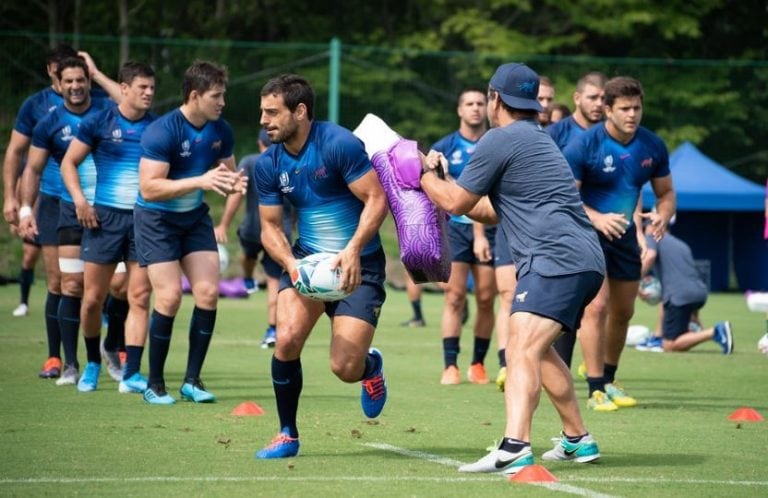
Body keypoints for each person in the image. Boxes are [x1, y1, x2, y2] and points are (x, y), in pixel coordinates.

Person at [420, 62, 604, 474]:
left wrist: (421, 175)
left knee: (519, 347)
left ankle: (515, 445)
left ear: (495, 99)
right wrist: (442, 181)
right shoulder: (532, 139)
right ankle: (578, 439)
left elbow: (454, 204)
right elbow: (487, 208)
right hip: (580, 260)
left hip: (554, 259)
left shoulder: (498, 139)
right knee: (535, 350)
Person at [253, 74, 388, 459]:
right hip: (307, 261)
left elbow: (377, 200)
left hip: (360, 266)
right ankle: (287, 434)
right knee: (286, 340)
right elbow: (269, 227)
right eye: (262, 111)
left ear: (300, 111)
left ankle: (371, 368)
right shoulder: (268, 163)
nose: (264, 120)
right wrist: (292, 265)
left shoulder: (338, 144)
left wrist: (352, 249)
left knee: (344, 368)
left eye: (272, 112)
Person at [135, 60, 245, 405]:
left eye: (223, 95)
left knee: (208, 293)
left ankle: (192, 381)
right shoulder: (163, 131)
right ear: (195, 95)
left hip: (194, 219)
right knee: (167, 298)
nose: (222, 102)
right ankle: (154, 383)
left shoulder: (220, 130)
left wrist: (234, 183)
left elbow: (227, 176)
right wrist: (201, 180)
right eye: (216, 96)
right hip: (156, 221)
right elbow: (149, 188)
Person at [562, 76, 676, 411]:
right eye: (625, 108)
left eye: (637, 108)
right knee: (595, 307)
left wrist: (662, 215)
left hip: (625, 237)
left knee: (623, 312)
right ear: (608, 110)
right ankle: (595, 387)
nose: (632, 114)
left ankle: (609, 379)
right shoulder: (584, 145)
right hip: (587, 235)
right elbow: (567, 196)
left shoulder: (652, 146)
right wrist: (596, 218)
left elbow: (666, 193)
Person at [4, 44, 119, 377]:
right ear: (52, 73)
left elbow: (131, 101)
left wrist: (97, 74)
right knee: (60, 282)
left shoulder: (100, 104)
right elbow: (19, 157)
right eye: (62, 75)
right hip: (56, 202)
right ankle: (58, 358)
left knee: (111, 283)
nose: (71, 84)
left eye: (79, 76)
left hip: (100, 201)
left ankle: (113, 348)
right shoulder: (38, 108)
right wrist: (16, 202)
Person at [59, 61, 157, 392]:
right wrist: (80, 202)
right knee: (91, 300)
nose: (149, 93)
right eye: (142, 87)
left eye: (152, 88)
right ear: (124, 88)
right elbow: (68, 163)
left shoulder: (156, 129)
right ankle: (92, 362)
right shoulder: (99, 122)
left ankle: (131, 373)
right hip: (104, 219)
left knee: (139, 295)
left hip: (143, 220)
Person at [432, 88, 497, 386]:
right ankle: (450, 365)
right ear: (459, 110)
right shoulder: (444, 146)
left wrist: (481, 233)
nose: (475, 108)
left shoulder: (495, 142)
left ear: (487, 107)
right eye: (469, 103)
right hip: (454, 230)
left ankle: (478, 364)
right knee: (455, 297)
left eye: (480, 103)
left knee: (485, 298)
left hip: (491, 227)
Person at [214, 128, 293, 348]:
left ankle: (248, 279)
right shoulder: (288, 163)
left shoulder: (249, 161)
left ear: (260, 143)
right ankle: (272, 330)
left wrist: (224, 224)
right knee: (275, 282)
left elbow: (237, 194)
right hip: (279, 232)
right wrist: (293, 226)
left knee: (247, 255)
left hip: (251, 229)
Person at [637, 222, 733, 353]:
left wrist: (634, 281)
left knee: (669, 345)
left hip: (680, 296)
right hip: (699, 293)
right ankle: (665, 335)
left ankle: (716, 331)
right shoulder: (681, 244)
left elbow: (650, 256)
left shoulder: (652, 236)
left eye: (644, 228)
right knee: (668, 301)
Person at [547, 72, 606, 150]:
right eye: (593, 98)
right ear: (577, 98)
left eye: (603, 98)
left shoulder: (615, 133)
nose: (599, 103)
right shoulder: (555, 133)